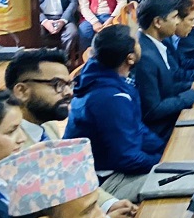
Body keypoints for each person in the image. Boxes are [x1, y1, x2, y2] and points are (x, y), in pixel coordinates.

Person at [4, 50, 133, 218]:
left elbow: (72, 177)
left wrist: (110, 204)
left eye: (69, 84)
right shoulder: (9, 147)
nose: (68, 92)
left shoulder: (48, 127)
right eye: (57, 85)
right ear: (22, 90)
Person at [64, 26, 166, 203]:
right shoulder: (110, 97)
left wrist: (163, 149)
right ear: (130, 58)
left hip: (116, 167)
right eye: (137, 42)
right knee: (183, 180)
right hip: (104, 181)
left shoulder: (107, 78)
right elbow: (127, 159)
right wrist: (163, 162)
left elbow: (136, 127)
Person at [133, 0, 194, 143]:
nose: (177, 22)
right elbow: (152, 111)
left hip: (169, 119)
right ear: (158, 22)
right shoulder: (144, 56)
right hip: (160, 132)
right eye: (174, 17)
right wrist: (193, 94)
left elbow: (167, 86)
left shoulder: (157, 43)